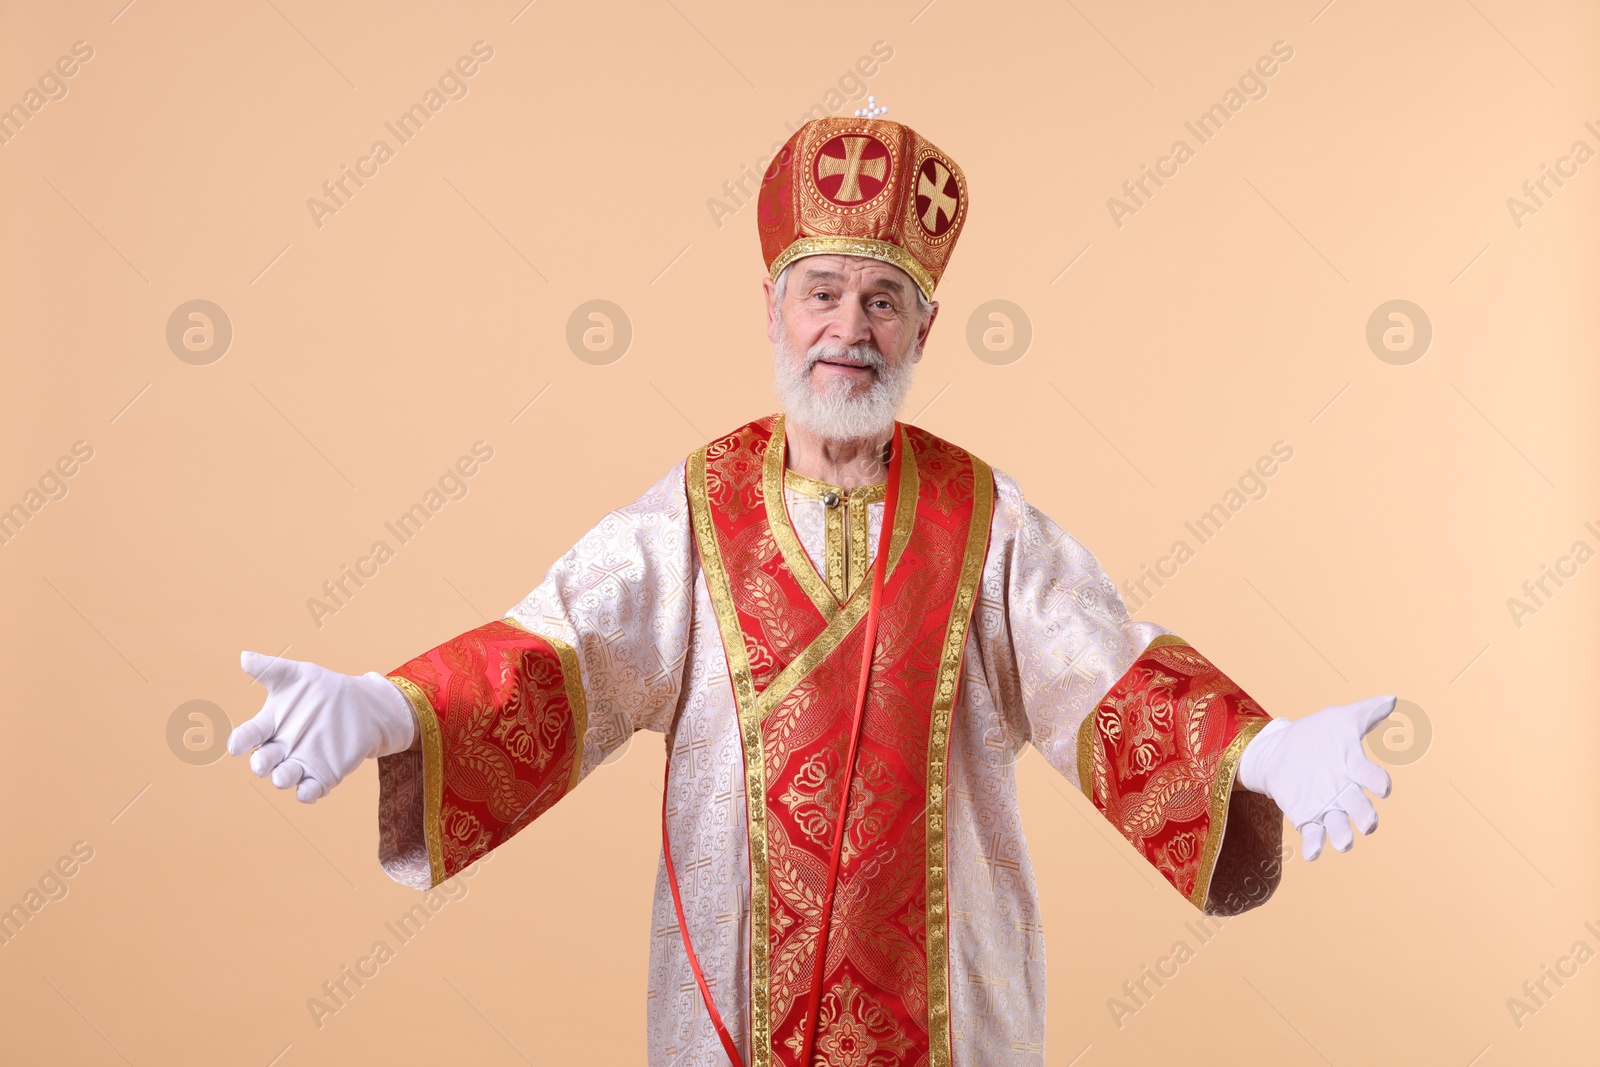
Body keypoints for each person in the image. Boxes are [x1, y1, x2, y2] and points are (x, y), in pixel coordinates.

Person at [228, 113, 1396, 1067]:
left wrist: (1258, 751)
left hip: (949, 1002)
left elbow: (1100, 664)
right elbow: (558, 655)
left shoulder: (981, 520)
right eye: (822, 292)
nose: (850, 328)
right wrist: (394, 707)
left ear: (924, 328)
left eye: (883, 301)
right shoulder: (690, 514)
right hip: (731, 993)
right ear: (773, 311)